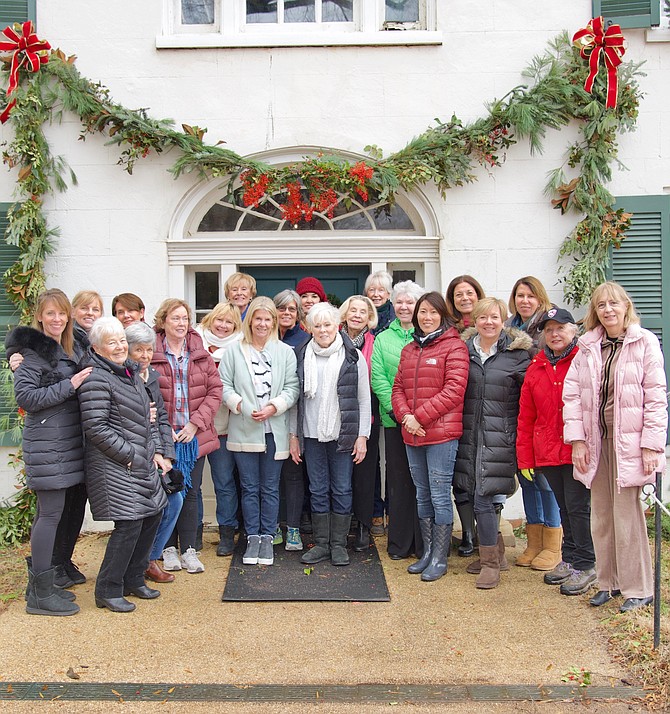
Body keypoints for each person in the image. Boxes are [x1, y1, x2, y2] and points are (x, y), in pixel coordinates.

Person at [563, 282, 667, 612]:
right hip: (597, 443)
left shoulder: (644, 342)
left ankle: (638, 587)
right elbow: (573, 397)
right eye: (601, 305)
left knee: (627, 515)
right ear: (595, 312)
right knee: (602, 517)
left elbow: (655, 398)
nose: (608, 310)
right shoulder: (588, 347)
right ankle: (609, 583)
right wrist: (577, 440)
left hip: (630, 444)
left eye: (614, 303)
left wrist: (652, 446)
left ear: (625, 307)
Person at [7, 289, 92, 616]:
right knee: (49, 515)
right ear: (40, 317)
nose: (57, 319)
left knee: (51, 515)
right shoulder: (33, 354)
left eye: (62, 314)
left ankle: (40, 588)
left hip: (65, 444)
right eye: (50, 314)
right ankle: (41, 596)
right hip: (48, 445)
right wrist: (69, 386)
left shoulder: (67, 348)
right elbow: (26, 398)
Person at [78, 317, 167, 613]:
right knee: (129, 524)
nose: (119, 347)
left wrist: (151, 452)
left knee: (152, 515)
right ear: (97, 348)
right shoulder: (96, 378)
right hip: (114, 465)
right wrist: (130, 455)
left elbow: (148, 417)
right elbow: (96, 427)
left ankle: (133, 578)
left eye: (121, 341)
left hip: (139, 461)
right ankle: (107, 588)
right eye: (112, 342)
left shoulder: (130, 373)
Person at [453, 297, 532, 589]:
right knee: (473, 493)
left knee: (486, 496)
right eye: (483, 317)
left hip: (501, 436)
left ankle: (489, 563)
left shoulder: (518, 355)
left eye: (495, 318)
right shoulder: (463, 352)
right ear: (475, 320)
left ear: (503, 321)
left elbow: (529, 400)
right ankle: (495, 554)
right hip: (468, 435)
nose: (489, 323)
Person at [517, 307, 596, 596]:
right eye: (548, 329)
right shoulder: (536, 366)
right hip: (548, 452)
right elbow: (526, 416)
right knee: (564, 509)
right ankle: (571, 558)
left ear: (573, 330)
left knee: (579, 508)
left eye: (560, 328)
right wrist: (525, 457)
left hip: (577, 450)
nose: (554, 334)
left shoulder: (584, 361)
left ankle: (587, 564)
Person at [392, 292, 469, 581]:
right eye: (422, 312)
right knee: (422, 493)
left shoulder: (455, 347)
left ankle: (440, 556)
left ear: (442, 315)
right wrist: (405, 418)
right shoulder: (410, 349)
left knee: (439, 494)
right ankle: (427, 552)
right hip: (413, 433)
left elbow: (454, 391)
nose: (427, 317)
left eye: (432, 312)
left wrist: (418, 417)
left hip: (440, 434)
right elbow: (397, 387)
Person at [290, 302, 371, 566]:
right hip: (311, 435)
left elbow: (363, 399)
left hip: (342, 434)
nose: (323, 330)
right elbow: (296, 400)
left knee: (342, 488)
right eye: (318, 325)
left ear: (337, 325)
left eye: (328, 324)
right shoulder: (301, 355)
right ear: (309, 328)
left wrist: (362, 436)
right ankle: (322, 544)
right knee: (317, 489)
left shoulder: (352, 356)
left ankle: (338, 545)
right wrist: (294, 436)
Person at [221, 297, 299, 567]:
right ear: (250, 321)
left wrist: (274, 407)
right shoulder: (234, 351)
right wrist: (240, 405)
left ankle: (268, 536)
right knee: (249, 487)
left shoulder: (285, 352)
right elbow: (223, 386)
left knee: (270, 488)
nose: (263, 324)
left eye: (268, 319)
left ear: (274, 322)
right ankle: (252, 536)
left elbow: (292, 389)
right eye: (258, 318)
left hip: (273, 429)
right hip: (244, 428)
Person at [151, 299, 222, 574]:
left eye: (185, 318)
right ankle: (167, 549)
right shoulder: (152, 353)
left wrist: (195, 424)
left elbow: (215, 392)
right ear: (163, 321)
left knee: (191, 493)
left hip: (194, 438)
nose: (181, 324)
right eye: (175, 318)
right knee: (167, 492)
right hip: (164, 438)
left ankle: (190, 550)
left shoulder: (200, 353)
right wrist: (162, 427)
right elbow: (144, 393)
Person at [506, 276, 561, 570]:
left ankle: (553, 544)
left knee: (547, 482)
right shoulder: (508, 330)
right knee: (527, 479)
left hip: (546, 416)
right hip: (519, 415)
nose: (524, 301)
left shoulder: (550, 329)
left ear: (539, 298)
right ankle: (534, 542)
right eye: (519, 295)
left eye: (529, 296)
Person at [371, 280, 425, 560]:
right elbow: (378, 377)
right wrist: (400, 413)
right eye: (400, 302)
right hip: (395, 421)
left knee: (424, 483)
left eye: (410, 302)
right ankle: (400, 543)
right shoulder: (383, 338)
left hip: (426, 423)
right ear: (393, 305)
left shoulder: (427, 335)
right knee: (399, 481)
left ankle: (424, 543)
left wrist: (419, 415)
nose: (404, 307)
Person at [125, 321, 180, 584]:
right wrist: (153, 454)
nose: (145, 356)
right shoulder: (124, 378)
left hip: (155, 452)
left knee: (175, 500)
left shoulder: (152, 377)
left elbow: (161, 420)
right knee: (153, 506)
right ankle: (138, 561)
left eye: (149, 350)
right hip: (133, 455)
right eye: (139, 350)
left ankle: (149, 558)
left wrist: (165, 454)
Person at [195, 302, 244, 556]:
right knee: (192, 485)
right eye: (220, 320)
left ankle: (227, 532)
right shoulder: (195, 343)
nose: (223, 326)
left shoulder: (240, 348)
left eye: (229, 322)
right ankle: (193, 534)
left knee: (223, 481)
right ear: (210, 320)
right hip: (195, 424)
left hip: (223, 426)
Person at [445, 275, 485, 558]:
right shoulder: (448, 331)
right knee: (459, 475)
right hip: (454, 409)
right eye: (458, 294)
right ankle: (467, 534)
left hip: (483, 409)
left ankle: (486, 534)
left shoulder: (491, 326)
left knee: (484, 473)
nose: (464, 299)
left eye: (469, 293)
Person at [339, 294, 378, 551]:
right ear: (345, 313)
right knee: (340, 474)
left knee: (364, 473)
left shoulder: (375, 342)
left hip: (365, 413)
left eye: (362, 312)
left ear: (369, 317)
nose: (356, 315)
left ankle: (363, 525)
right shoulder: (332, 337)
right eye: (353, 310)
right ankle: (341, 526)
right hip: (339, 415)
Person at [274, 289, 311, 551]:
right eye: (282, 308)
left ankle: (294, 529)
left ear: (298, 314)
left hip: (295, 414)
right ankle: (273, 525)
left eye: (292, 309)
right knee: (269, 477)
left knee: (294, 473)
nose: (286, 313)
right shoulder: (261, 336)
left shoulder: (306, 340)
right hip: (265, 416)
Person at [365, 270, 395, 336]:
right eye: (372, 290)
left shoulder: (396, 316)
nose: (376, 294)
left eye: (381, 290)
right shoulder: (360, 315)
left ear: (388, 294)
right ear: (367, 293)